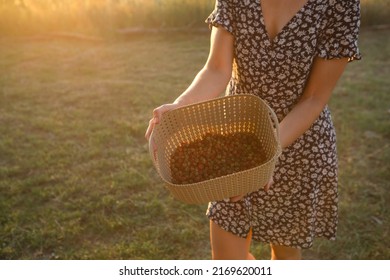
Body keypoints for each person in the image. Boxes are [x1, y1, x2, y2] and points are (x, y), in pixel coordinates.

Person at [145, 0, 361, 260]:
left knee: (284, 258)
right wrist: (179, 107)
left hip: (298, 149)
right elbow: (216, 69)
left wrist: (267, 157)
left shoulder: (341, 4)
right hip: (236, 149)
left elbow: (313, 98)